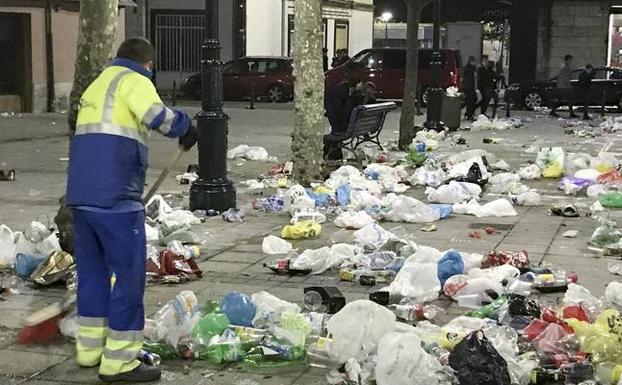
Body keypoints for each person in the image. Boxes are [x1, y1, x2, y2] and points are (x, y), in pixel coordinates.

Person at [66, 37, 197, 383]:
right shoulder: (135, 80)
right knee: (128, 277)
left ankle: (90, 349)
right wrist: (186, 126)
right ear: (148, 64)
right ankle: (120, 361)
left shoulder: (97, 84)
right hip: (116, 200)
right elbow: (158, 117)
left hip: (81, 197)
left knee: (92, 275)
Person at [323, 62, 364, 160]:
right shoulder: (341, 90)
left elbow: (339, 114)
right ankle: (332, 151)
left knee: (333, 134)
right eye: (358, 73)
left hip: (344, 127)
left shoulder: (341, 89)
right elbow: (341, 113)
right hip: (348, 126)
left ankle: (332, 152)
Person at [550, 54, 577, 118]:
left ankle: (553, 111)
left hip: (561, 85)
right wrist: (569, 86)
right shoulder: (565, 67)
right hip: (564, 86)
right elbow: (565, 78)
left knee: (560, 99)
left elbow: (561, 76)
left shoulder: (563, 66)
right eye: (570, 60)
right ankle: (571, 113)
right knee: (569, 99)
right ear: (568, 60)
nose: (571, 61)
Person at [462, 56, 477, 121]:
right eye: (474, 61)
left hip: (470, 88)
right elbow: (468, 80)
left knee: (471, 100)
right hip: (469, 88)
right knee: (471, 101)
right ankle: (469, 114)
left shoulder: (471, 68)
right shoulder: (469, 69)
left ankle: (468, 114)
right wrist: (468, 88)